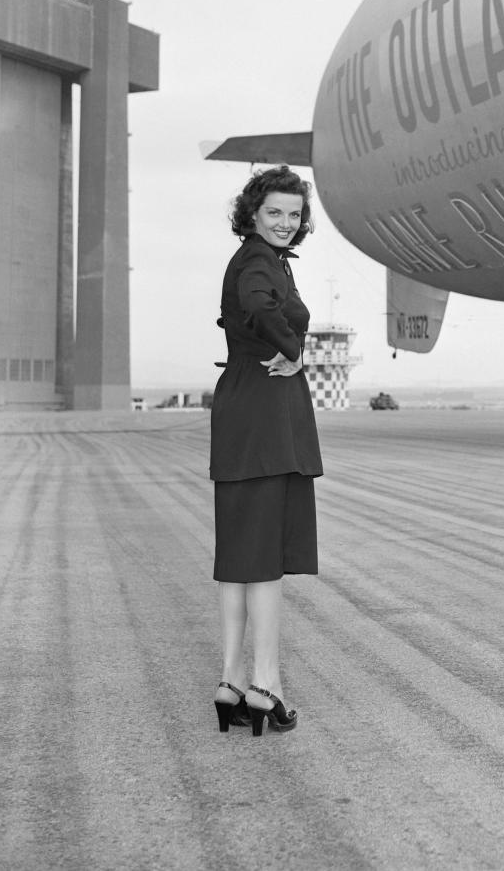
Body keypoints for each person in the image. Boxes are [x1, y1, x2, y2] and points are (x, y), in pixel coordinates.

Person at [209, 165, 323, 737]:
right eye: (274, 212)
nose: (285, 222)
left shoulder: (260, 258)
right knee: (266, 563)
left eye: (294, 214)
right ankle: (266, 684)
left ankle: (231, 682)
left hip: (241, 418)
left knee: (239, 558)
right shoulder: (257, 261)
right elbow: (256, 303)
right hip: (266, 422)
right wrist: (294, 349)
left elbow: (251, 305)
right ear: (253, 213)